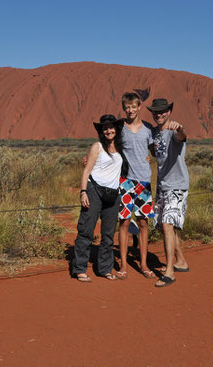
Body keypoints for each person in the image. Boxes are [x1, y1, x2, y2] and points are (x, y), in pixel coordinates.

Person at [72, 115, 126, 282]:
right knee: (86, 230)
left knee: (108, 235)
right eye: (105, 128)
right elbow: (87, 170)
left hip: (113, 194)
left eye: (111, 127)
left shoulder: (120, 148)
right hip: (94, 190)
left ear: (116, 129)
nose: (109, 131)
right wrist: (83, 192)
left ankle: (105, 269)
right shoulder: (97, 147)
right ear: (102, 131)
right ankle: (80, 269)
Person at [147, 98, 190, 288]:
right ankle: (181, 261)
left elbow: (182, 136)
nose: (159, 114)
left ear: (169, 112)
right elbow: (156, 151)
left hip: (177, 186)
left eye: (163, 111)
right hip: (162, 185)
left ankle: (170, 272)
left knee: (166, 226)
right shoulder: (155, 133)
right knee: (169, 227)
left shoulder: (174, 131)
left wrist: (180, 127)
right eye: (156, 112)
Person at [116, 91, 156, 280]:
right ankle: (123, 265)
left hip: (144, 181)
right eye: (127, 107)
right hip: (125, 181)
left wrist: (152, 157)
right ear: (124, 108)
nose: (130, 110)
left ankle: (144, 264)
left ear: (139, 107)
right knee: (123, 223)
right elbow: (109, 148)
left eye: (133, 106)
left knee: (142, 223)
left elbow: (156, 151)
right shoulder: (120, 127)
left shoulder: (148, 128)